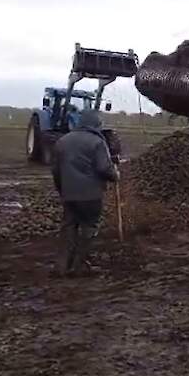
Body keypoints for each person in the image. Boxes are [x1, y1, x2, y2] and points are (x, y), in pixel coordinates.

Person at [51, 109, 119, 277]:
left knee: (68, 228)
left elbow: (56, 171)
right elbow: (104, 168)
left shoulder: (62, 141)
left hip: (69, 194)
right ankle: (81, 266)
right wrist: (115, 175)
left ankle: (62, 266)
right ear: (95, 123)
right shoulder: (97, 142)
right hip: (91, 195)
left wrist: (62, 190)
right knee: (89, 228)